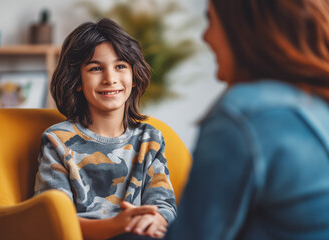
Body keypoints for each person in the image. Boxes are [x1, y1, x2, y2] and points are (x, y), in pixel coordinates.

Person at [165, 0, 329, 239]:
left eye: (210, 20)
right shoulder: (317, 103)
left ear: (242, 26)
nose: (204, 37)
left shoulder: (243, 114)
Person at [34, 18, 176, 240]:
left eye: (120, 66)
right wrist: (117, 226)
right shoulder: (56, 141)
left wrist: (155, 220)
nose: (110, 79)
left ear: (134, 76)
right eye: (96, 68)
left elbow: (164, 206)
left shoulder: (150, 138)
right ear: (77, 80)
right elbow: (53, 219)